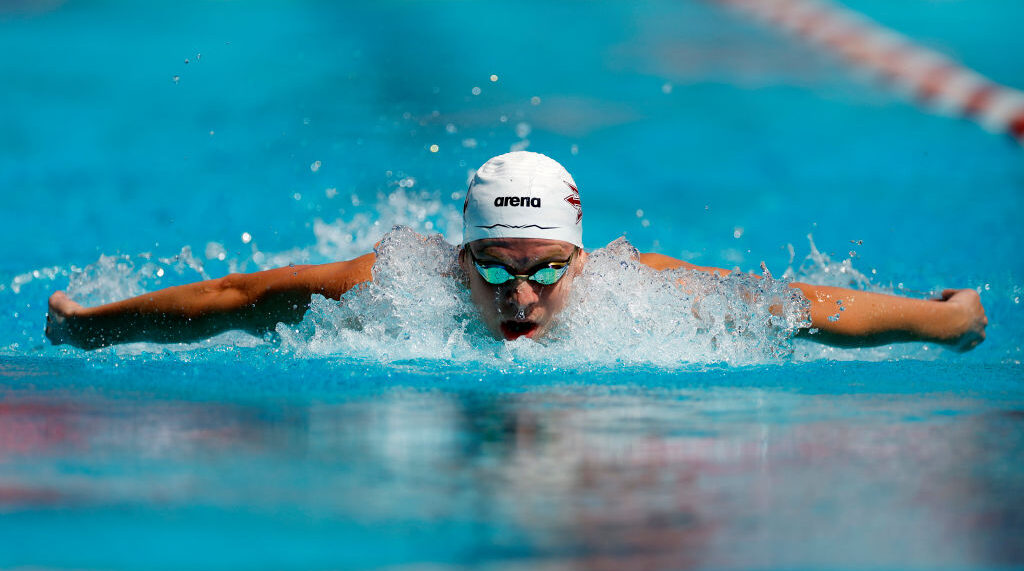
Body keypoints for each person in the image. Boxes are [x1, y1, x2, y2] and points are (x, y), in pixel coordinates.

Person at [45, 152, 988, 351]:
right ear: (459, 259)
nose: (519, 294)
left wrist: (944, 320)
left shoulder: (639, 297)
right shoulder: (396, 285)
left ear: (583, 261)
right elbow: (240, 294)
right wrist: (94, 329)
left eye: (545, 268)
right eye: (492, 265)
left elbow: (805, 306)